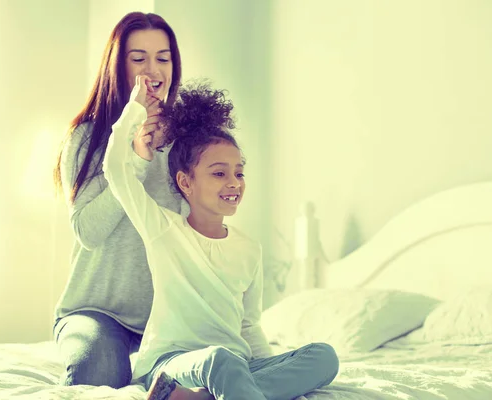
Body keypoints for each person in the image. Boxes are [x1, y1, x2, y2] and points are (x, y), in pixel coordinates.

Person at [103, 77, 340, 400]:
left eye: (239, 172)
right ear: (186, 182)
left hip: (234, 365)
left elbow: (248, 325)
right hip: (171, 363)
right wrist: (135, 110)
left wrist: (268, 367)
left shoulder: (248, 249)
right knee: (220, 359)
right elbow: (116, 170)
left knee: (324, 357)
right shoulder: (163, 230)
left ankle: (198, 398)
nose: (234, 183)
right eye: (219, 173)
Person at [52, 12, 188, 388]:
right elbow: (88, 232)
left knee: (215, 375)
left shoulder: (188, 139)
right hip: (96, 312)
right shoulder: (86, 137)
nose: (153, 70)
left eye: (163, 58)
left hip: (168, 316)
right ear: (117, 64)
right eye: (138, 58)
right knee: (99, 375)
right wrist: (135, 163)